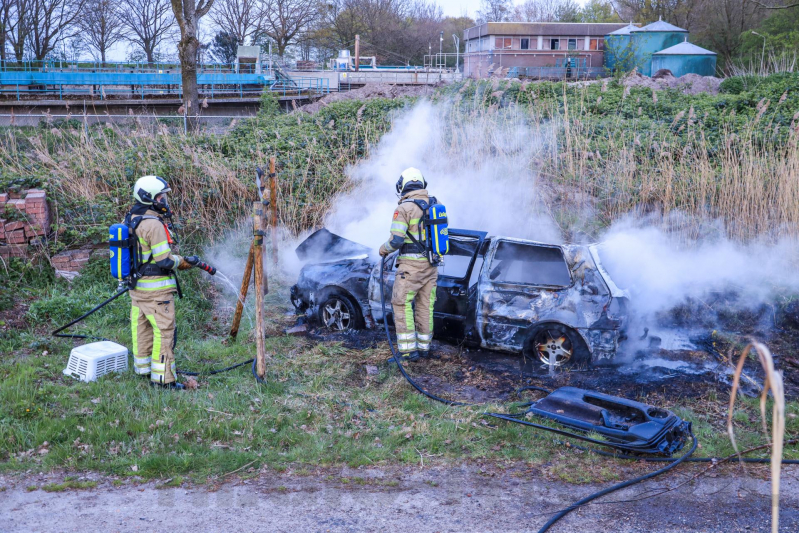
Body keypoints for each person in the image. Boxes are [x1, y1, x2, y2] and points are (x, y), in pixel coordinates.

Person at [126, 175, 208, 390]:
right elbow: (164, 260)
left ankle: (144, 370)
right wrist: (183, 261)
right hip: (157, 292)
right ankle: (164, 380)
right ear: (150, 198)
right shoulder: (153, 224)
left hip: (138, 289)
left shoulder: (132, 217)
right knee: (164, 332)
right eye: (161, 196)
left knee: (141, 329)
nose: (164, 200)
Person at [379, 168, 438, 362]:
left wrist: (383, 249)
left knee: (401, 304)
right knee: (425, 307)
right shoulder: (435, 205)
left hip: (410, 268)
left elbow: (396, 241)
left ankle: (406, 353)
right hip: (431, 266)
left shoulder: (404, 209)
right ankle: (424, 349)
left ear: (401, 186)